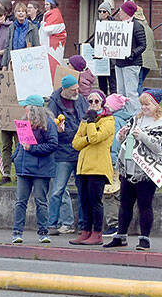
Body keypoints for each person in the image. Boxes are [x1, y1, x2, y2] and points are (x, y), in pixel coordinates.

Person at [105, 92, 162, 250]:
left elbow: (158, 146)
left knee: (144, 205)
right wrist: (121, 137)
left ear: (156, 105)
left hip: (147, 170)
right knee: (125, 204)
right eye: (142, 104)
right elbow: (125, 140)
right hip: (128, 167)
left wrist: (142, 136)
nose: (144, 107)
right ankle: (121, 236)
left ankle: (144, 238)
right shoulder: (135, 119)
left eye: (148, 104)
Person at [69, 90, 114, 245]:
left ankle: (97, 233)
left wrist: (89, 126)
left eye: (96, 101)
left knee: (95, 201)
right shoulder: (86, 119)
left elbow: (95, 138)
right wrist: (88, 131)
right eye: (90, 101)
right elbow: (75, 143)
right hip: (83, 167)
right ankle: (86, 231)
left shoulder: (108, 120)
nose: (93, 104)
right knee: (84, 201)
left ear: (102, 103)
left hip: (98, 167)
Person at [11, 96, 58, 244]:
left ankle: (43, 232)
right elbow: (21, 144)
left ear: (34, 109)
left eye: (27, 106)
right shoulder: (24, 123)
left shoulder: (48, 124)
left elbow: (52, 144)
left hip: (40, 169)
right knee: (20, 201)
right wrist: (15, 157)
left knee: (41, 201)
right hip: (24, 167)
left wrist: (32, 148)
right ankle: (17, 232)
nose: (24, 109)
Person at [46, 75, 83, 236]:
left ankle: (83, 224)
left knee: (83, 190)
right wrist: (58, 130)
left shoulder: (80, 99)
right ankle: (52, 223)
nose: (77, 91)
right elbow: (49, 124)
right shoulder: (54, 102)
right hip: (62, 151)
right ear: (64, 90)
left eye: (77, 88)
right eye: (74, 89)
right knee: (57, 189)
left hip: (80, 149)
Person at [112, 1, 147, 101]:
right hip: (119, 62)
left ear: (127, 12)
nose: (119, 12)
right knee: (120, 91)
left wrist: (132, 54)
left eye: (121, 10)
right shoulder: (119, 26)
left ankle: (134, 113)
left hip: (132, 63)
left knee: (130, 92)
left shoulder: (136, 26)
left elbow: (143, 45)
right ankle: (123, 113)